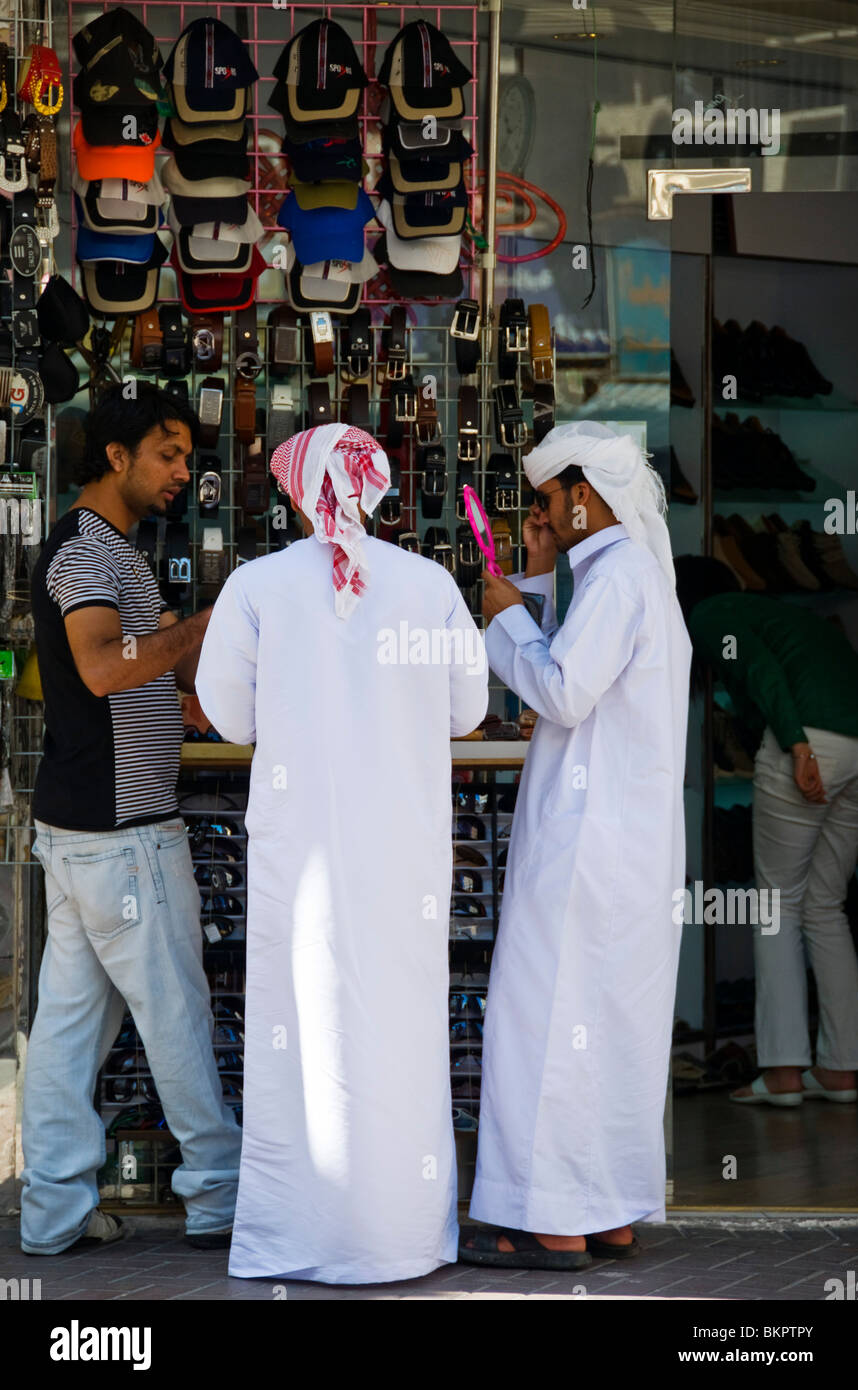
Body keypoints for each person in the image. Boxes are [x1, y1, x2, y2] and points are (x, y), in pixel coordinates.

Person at [195, 423, 488, 1284]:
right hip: (404, 862)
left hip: (302, 853)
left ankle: (303, 1237)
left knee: (304, 1034)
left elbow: (228, 717)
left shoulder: (257, 586)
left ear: (295, 490)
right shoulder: (428, 583)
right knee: (397, 1032)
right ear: (379, 485)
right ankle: (399, 1238)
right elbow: (468, 711)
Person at [461, 421, 691, 1270]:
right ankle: (605, 1212)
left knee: (545, 1020)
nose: (544, 514)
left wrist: (507, 620)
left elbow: (558, 689)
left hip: (587, 853)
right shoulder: (628, 575)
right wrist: (529, 578)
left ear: (586, 497)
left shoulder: (621, 577)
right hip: (621, 850)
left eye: (551, 501)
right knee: (605, 1024)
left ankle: (552, 1223)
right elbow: (574, 658)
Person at [21, 384, 242, 1256]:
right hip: (121, 839)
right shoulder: (86, 554)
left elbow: (129, 687)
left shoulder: (112, 550)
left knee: (70, 1039)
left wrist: (191, 701)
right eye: (168, 454)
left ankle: (53, 1214)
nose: (184, 474)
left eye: (187, 458)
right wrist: (199, 630)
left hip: (89, 836)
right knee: (177, 1016)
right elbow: (107, 669)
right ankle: (221, 1196)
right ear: (116, 456)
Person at [676, 555, 858, 1107]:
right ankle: (841, 1069)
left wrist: (797, 744)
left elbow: (760, 670)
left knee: (775, 905)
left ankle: (783, 1071)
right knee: (824, 905)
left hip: (809, 742)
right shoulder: (777, 613)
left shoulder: (709, 616)